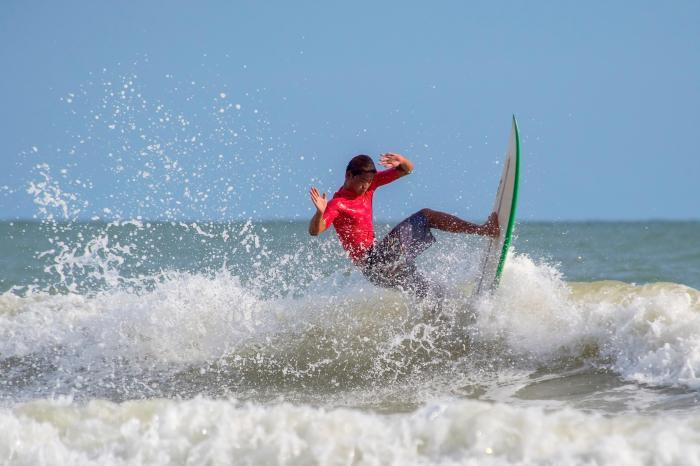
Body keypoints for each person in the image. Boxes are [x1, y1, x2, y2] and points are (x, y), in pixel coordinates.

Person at [308, 153, 499, 300]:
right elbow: (315, 231)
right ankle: (483, 230)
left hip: (380, 265)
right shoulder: (338, 203)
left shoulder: (370, 184)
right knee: (426, 215)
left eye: (369, 183)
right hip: (373, 263)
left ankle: (461, 311)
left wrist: (402, 160)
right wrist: (319, 212)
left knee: (431, 292)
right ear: (349, 175)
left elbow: (407, 170)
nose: (366, 187)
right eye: (362, 183)